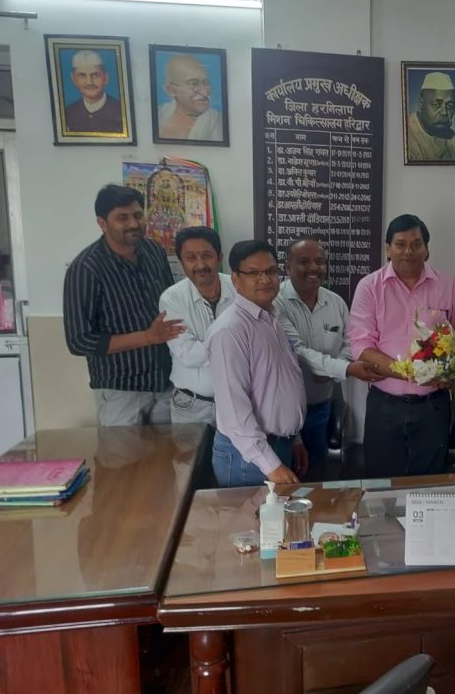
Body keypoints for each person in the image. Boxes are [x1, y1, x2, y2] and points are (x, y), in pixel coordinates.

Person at [349, 214, 455, 477]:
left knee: (429, 484)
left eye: (416, 244)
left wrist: (450, 373)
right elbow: (362, 347)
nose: (408, 251)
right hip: (385, 406)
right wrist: (410, 373)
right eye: (400, 244)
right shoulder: (369, 287)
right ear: (388, 248)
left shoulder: (448, 286)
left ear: (426, 249)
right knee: (381, 483)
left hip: (433, 406)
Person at [64, 184, 181, 426]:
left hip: (166, 382)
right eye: (122, 218)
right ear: (102, 223)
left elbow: (172, 303)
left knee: (172, 451)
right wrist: (147, 337)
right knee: (122, 452)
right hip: (121, 390)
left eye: (138, 215)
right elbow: (79, 341)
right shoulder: (86, 268)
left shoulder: (154, 252)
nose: (133, 224)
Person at [276, 236, 383, 479]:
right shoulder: (276, 303)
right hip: (285, 414)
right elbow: (296, 351)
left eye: (320, 261)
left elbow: (349, 342)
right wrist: (341, 369)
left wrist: (335, 368)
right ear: (287, 266)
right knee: (287, 482)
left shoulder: (335, 302)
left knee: (316, 477)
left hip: (321, 408)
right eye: (304, 261)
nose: (314, 267)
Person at [206, 240, 308, 488]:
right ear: (236, 279)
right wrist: (271, 465)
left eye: (271, 271)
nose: (265, 279)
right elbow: (233, 412)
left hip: (276, 446)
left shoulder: (270, 318)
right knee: (254, 516)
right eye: (254, 273)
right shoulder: (230, 331)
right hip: (248, 457)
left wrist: (294, 438)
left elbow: (279, 384)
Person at [159, 226, 235, 425]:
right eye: (191, 257)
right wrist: (234, 345)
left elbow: (254, 343)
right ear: (181, 262)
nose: (200, 265)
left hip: (237, 404)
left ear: (219, 257)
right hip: (191, 406)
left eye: (207, 256)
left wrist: (210, 348)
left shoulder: (239, 288)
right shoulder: (171, 298)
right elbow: (187, 354)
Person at [157, 54, 224, 141]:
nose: (205, 93)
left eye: (206, 83)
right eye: (194, 84)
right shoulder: (159, 114)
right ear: (170, 90)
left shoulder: (219, 122)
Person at [405, 71, 455, 161]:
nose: (444, 112)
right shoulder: (406, 136)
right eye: (436, 104)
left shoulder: (452, 139)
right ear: (421, 104)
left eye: (449, 106)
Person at [64, 50, 123, 134]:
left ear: (105, 78)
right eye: (82, 75)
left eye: (95, 75)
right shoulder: (68, 113)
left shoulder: (121, 110)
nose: (89, 82)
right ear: (74, 79)